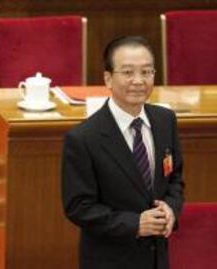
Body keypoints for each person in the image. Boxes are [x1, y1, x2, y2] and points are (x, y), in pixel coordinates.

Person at [61, 36, 184, 269]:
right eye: (128, 72)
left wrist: (171, 209)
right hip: (110, 259)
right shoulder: (83, 138)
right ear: (108, 78)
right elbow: (79, 207)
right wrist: (135, 224)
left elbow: (175, 178)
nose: (138, 81)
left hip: (158, 258)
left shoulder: (165, 120)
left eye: (146, 72)